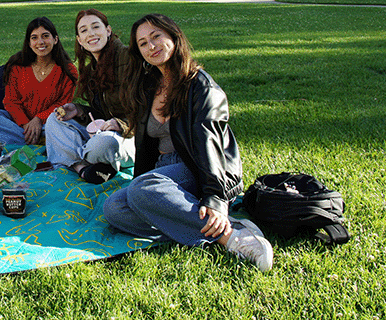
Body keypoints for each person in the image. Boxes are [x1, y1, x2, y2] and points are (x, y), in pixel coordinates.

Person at [102, 14, 274, 271]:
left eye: (156, 36)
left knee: (142, 190)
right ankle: (193, 223)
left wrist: (215, 198)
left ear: (174, 36)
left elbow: (209, 142)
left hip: (197, 166)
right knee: (114, 208)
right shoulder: (149, 85)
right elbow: (145, 144)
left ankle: (231, 236)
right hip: (161, 170)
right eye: (143, 43)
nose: (151, 46)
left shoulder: (202, 87)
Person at [45, 9, 135, 184]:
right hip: (104, 131)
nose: (91, 34)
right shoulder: (91, 70)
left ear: (108, 31)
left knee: (104, 144)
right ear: (79, 40)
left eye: (96, 27)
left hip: (130, 137)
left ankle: (74, 159)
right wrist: (78, 111)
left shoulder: (128, 58)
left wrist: (121, 124)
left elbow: (147, 109)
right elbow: (100, 113)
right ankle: (84, 168)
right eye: (84, 30)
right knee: (53, 121)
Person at [0, 16, 77, 145]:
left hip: (48, 123)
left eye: (45, 36)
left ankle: (21, 139)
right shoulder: (18, 66)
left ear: (55, 39)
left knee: (68, 126)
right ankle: (37, 140)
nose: (40, 42)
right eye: (34, 38)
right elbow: (11, 101)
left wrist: (39, 119)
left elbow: (62, 104)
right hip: (17, 122)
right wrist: (26, 123)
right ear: (29, 43)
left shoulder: (68, 70)